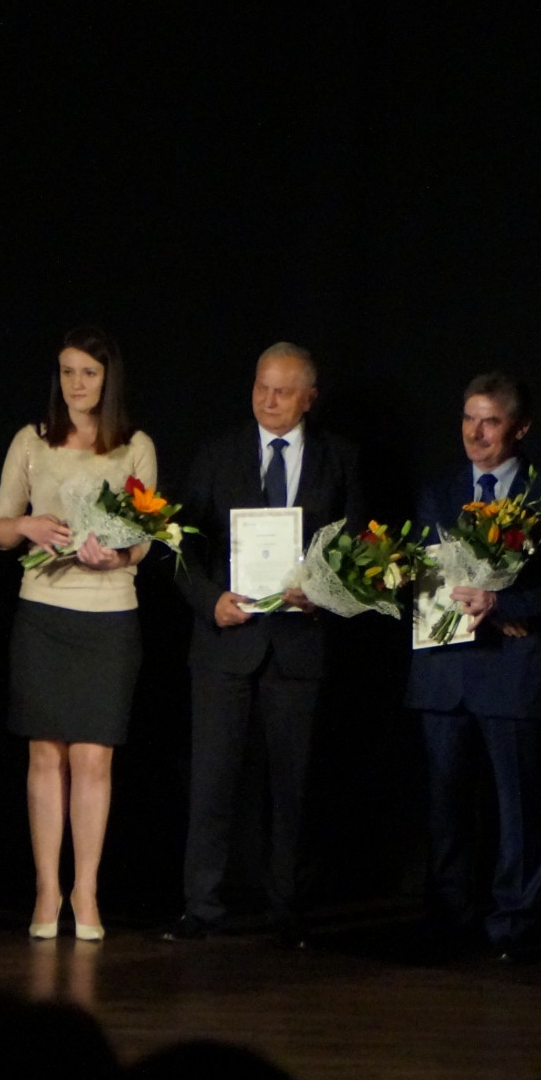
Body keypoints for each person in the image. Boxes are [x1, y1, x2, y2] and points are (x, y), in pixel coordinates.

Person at [163, 343, 363, 950]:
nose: (268, 400)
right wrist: (210, 601)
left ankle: (288, 907)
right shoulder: (217, 452)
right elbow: (179, 541)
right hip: (226, 639)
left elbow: (358, 545)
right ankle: (201, 905)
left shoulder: (340, 458)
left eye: (282, 391)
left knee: (292, 786)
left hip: (299, 643)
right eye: (260, 387)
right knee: (212, 780)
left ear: (309, 398)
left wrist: (322, 592)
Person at [0, 327, 158, 941]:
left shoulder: (134, 446)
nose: (76, 384)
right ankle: (46, 888)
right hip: (44, 612)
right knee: (45, 755)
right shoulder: (31, 441)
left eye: (88, 372)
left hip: (108, 615)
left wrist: (118, 556)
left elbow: (145, 536)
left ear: (108, 378)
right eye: (66, 372)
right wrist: (27, 527)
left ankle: (85, 890)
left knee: (92, 757)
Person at [405, 370, 541, 957]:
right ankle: (449, 918)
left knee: (519, 809)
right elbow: (427, 573)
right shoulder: (438, 489)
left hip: (514, 673)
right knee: (444, 808)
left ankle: (514, 923)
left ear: (520, 428)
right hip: (444, 671)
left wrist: (506, 604)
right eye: (468, 418)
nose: (475, 433)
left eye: (490, 422)